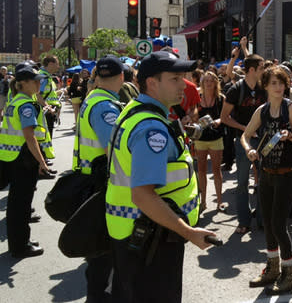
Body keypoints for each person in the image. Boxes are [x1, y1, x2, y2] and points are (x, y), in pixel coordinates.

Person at [105, 51, 217, 302]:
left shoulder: (134, 111)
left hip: (138, 233)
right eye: (175, 79)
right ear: (152, 83)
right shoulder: (151, 128)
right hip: (150, 237)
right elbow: (143, 195)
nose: (185, 85)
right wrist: (189, 232)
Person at [241, 66, 292, 294]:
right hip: (266, 173)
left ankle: (288, 275)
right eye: (273, 83)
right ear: (266, 86)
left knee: (279, 225)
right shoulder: (262, 110)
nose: (279, 87)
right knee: (268, 224)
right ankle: (272, 269)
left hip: (288, 174)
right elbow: (245, 135)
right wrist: (249, 150)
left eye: (281, 83)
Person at [73, 56, 125, 303]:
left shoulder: (94, 97)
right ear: (122, 77)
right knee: (104, 249)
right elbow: (113, 149)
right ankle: (97, 296)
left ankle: (97, 294)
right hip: (101, 181)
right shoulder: (105, 106)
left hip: (92, 178)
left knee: (100, 248)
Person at [0, 65, 55, 258]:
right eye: (35, 80)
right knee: (21, 205)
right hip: (23, 160)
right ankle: (20, 246)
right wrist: (42, 162)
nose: (39, 83)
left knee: (17, 204)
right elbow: (30, 137)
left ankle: (20, 242)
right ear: (22, 84)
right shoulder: (25, 105)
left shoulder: (15, 101)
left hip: (11, 158)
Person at [221, 52, 267, 235]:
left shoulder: (265, 88)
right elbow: (224, 117)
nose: (265, 70)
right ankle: (244, 220)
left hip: (264, 140)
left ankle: (262, 220)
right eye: (262, 67)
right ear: (252, 70)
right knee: (241, 182)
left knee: (264, 181)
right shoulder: (235, 90)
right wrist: (245, 129)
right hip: (243, 141)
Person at [195, 71, 226, 213]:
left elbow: (225, 116)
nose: (208, 83)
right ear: (202, 83)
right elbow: (191, 114)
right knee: (201, 170)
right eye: (206, 81)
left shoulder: (221, 99)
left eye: (211, 81)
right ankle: (203, 202)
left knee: (216, 170)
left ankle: (219, 201)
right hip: (200, 138)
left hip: (215, 137)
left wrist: (219, 121)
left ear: (215, 83)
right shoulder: (197, 97)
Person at [38, 56, 62, 138]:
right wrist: (48, 107)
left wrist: (60, 92)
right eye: (57, 64)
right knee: (45, 139)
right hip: (45, 112)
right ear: (51, 64)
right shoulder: (43, 77)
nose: (58, 67)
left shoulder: (46, 76)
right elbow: (38, 95)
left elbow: (48, 94)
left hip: (48, 111)